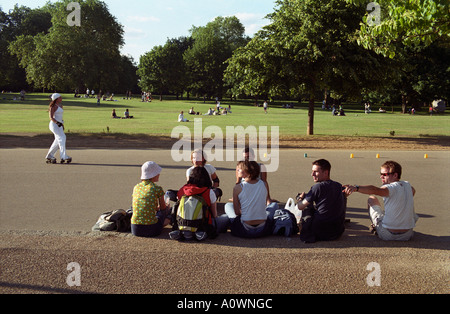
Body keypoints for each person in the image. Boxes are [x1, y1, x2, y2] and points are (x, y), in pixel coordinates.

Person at [344, 161, 418, 241]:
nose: (381, 177)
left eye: (384, 175)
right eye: (381, 174)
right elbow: (413, 191)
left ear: (395, 175)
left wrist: (356, 188)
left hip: (388, 235)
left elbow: (374, 190)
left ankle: (376, 227)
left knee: (371, 199)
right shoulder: (407, 185)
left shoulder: (390, 188)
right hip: (408, 235)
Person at [216, 160, 278, 238]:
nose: (237, 171)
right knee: (274, 205)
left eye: (239, 169)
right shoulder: (264, 184)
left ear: (247, 172)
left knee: (228, 206)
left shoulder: (238, 188)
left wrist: (245, 211)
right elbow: (263, 203)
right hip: (263, 228)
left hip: (245, 229)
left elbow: (237, 212)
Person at [295, 159, 347, 243]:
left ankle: (304, 230)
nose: (312, 174)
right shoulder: (338, 185)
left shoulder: (317, 187)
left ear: (326, 173)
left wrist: (300, 199)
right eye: (312, 171)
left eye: (315, 172)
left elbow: (300, 206)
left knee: (307, 206)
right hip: (337, 232)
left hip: (319, 232)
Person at [170, 166, 218, 241]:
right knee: (225, 218)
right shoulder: (208, 192)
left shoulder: (183, 189)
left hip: (182, 223)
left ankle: (184, 231)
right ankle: (199, 232)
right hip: (203, 224)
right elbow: (214, 215)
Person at [131, 161, 171, 237]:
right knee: (167, 212)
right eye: (157, 173)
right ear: (153, 175)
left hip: (135, 229)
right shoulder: (157, 188)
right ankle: (167, 221)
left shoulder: (136, 187)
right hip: (151, 229)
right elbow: (163, 208)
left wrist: (156, 208)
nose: (159, 174)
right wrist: (167, 207)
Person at [45, 93, 72, 164]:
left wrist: (61, 124)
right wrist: (57, 123)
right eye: (60, 97)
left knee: (58, 140)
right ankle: (64, 156)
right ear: (56, 98)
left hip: (59, 125)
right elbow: (51, 117)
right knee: (62, 137)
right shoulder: (53, 106)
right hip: (54, 125)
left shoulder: (60, 105)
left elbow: (60, 117)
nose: (61, 98)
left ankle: (50, 155)